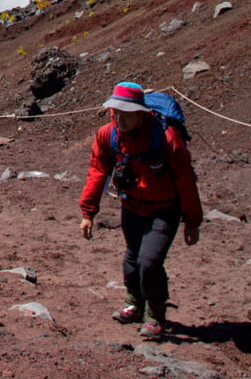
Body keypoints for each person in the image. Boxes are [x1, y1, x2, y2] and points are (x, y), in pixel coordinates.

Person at [78, 81, 201, 340]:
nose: (120, 119)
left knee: (149, 262)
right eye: (117, 113)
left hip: (165, 208)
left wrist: (192, 221)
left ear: (140, 113)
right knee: (132, 258)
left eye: (126, 113)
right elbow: (98, 171)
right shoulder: (108, 135)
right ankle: (134, 304)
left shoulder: (166, 138)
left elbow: (185, 180)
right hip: (131, 205)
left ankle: (155, 316)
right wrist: (88, 212)